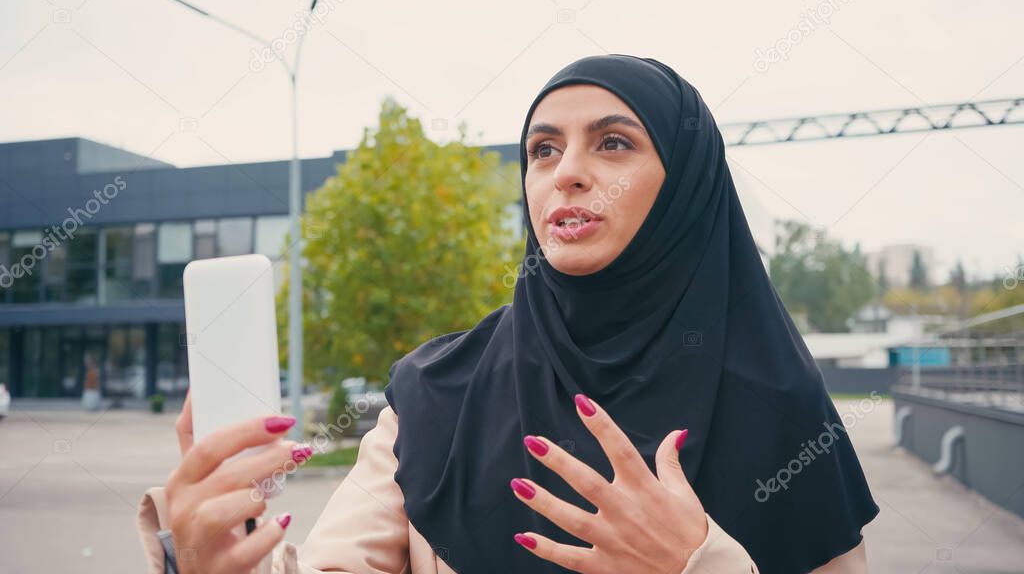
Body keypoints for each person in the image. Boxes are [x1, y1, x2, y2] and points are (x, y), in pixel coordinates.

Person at [136, 54, 878, 573]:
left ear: (686, 187)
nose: (567, 173)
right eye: (543, 150)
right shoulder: (437, 390)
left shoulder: (780, 404)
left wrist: (696, 567)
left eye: (613, 143)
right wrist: (220, 559)